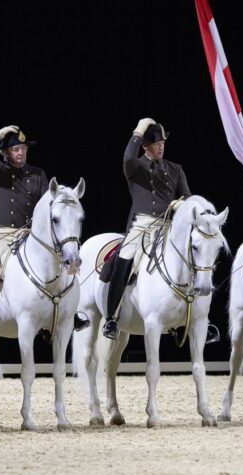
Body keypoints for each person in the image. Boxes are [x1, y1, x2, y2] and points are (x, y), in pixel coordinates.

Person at [102, 118, 191, 339]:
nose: (161, 146)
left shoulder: (175, 169)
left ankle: (191, 319)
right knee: (124, 260)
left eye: (163, 142)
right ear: (145, 145)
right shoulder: (136, 167)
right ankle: (111, 318)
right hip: (141, 225)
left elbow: (187, 196)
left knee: (193, 260)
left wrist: (182, 203)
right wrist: (139, 130)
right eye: (156, 143)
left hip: (167, 226)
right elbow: (127, 156)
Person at [0, 125, 50, 337]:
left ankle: (57, 314)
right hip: (5, 232)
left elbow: (46, 204)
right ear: (6, 153)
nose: (20, 152)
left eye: (23, 148)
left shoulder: (38, 174)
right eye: (15, 150)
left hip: (31, 232)